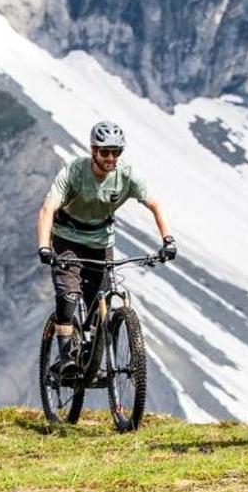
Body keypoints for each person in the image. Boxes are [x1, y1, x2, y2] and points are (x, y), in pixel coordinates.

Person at [35, 120, 176, 373]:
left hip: (101, 242)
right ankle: (66, 359)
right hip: (68, 239)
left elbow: (155, 205)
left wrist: (168, 240)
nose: (111, 158)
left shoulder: (127, 175)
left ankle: (92, 359)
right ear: (93, 150)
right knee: (68, 296)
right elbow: (48, 209)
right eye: (105, 152)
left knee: (100, 306)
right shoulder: (74, 172)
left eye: (116, 152)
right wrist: (45, 247)